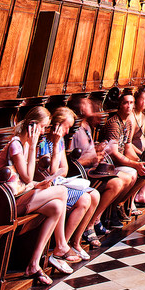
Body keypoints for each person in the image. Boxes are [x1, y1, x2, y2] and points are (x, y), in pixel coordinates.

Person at [0, 108, 71, 286]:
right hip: (8, 203)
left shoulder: (26, 144)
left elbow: (27, 180)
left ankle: (33, 264)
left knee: (57, 207)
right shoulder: (16, 144)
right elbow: (26, 176)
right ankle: (61, 244)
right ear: (32, 126)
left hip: (22, 194)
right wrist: (33, 146)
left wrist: (38, 184)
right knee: (63, 192)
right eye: (42, 127)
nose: (43, 132)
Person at [67, 96, 137, 241]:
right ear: (80, 109)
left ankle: (98, 218)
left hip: (93, 169)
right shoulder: (74, 129)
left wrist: (99, 150)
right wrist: (92, 158)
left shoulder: (86, 125)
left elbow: (89, 151)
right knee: (117, 182)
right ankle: (90, 224)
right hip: (83, 174)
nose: (92, 106)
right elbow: (72, 161)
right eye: (87, 103)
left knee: (127, 177)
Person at [38, 108, 101, 261]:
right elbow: (52, 172)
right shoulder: (44, 143)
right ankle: (63, 246)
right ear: (56, 126)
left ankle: (75, 242)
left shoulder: (59, 142)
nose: (67, 132)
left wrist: (57, 145)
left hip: (61, 183)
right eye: (66, 127)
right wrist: (54, 147)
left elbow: (64, 170)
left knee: (95, 194)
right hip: (50, 187)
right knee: (85, 199)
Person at [104, 91, 145, 213]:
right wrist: (134, 164)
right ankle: (113, 207)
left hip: (121, 160)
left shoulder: (128, 122)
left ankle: (120, 204)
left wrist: (139, 160)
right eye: (125, 103)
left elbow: (128, 146)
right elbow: (114, 153)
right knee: (134, 172)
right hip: (110, 163)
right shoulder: (114, 123)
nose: (129, 106)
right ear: (120, 105)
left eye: (131, 103)